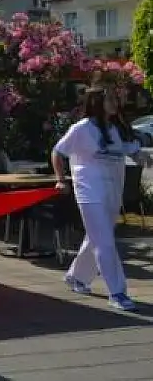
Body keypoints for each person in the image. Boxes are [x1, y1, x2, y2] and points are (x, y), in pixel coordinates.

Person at [53, 86, 150, 311]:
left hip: (111, 192)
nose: (115, 103)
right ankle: (117, 292)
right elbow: (58, 152)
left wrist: (139, 155)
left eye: (115, 99)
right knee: (105, 240)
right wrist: (61, 179)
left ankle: (77, 277)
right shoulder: (81, 128)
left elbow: (127, 149)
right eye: (109, 100)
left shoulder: (114, 128)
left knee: (97, 237)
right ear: (97, 103)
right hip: (89, 192)